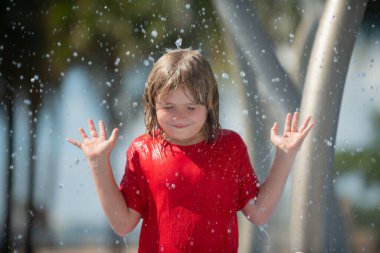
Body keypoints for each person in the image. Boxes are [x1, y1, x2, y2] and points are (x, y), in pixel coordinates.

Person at [67, 48, 314, 253]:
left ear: (209, 105)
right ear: (153, 104)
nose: (179, 116)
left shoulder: (229, 147)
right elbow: (123, 224)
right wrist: (98, 164)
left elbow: (259, 213)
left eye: (191, 107)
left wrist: (285, 155)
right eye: (168, 106)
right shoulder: (143, 150)